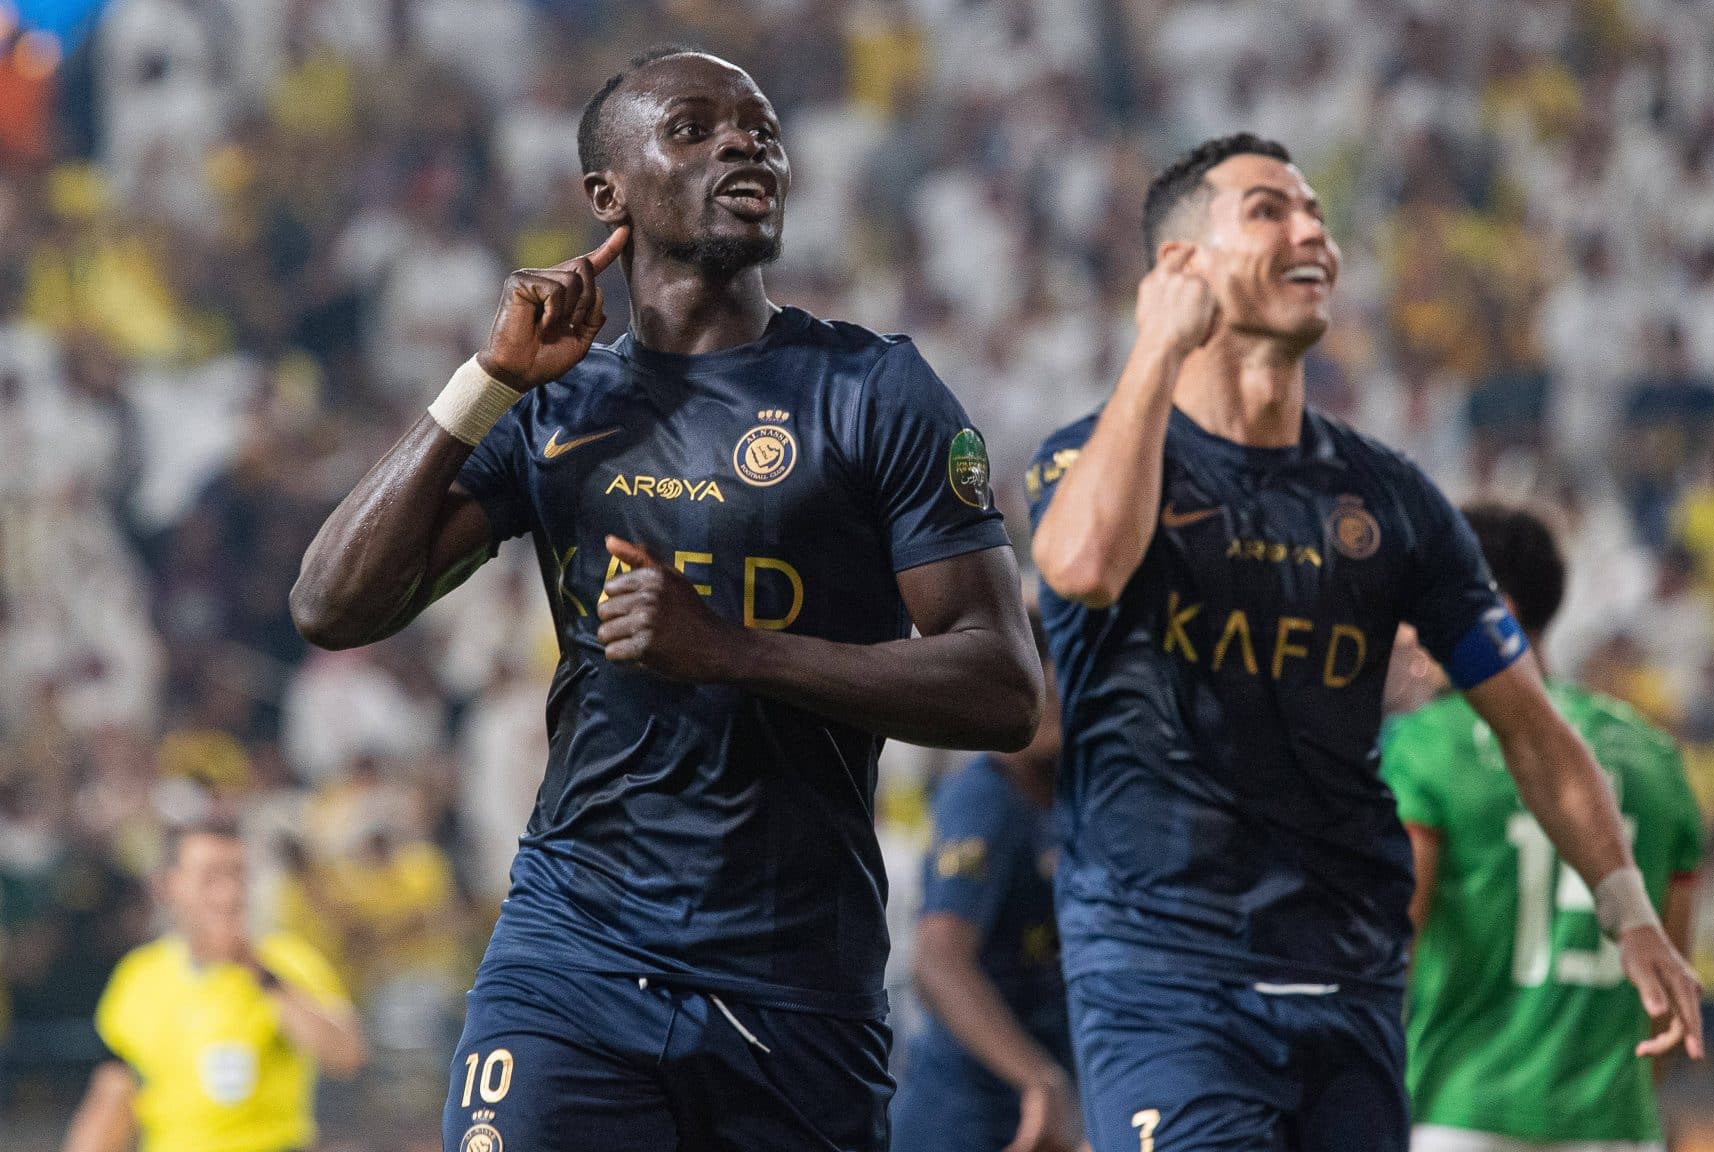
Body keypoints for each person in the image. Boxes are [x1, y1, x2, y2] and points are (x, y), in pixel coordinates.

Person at [289, 47, 1041, 1152]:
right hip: (574, 948)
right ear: (609, 196)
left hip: (795, 976)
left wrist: (736, 649)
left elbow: (1002, 686)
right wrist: (485, 382)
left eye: (760, 129)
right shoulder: (555, 406)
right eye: (692, 128)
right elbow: (331, 605)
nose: (745, 142)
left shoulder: (873, 390)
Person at [1025, 134, 1703, 1152]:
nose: (1311, 233)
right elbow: (1080, 565)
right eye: (1266, 211)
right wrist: (1156, 352)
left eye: (1315, 215)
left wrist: (1628, 911)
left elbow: (1532, 730)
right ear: (1177, 267)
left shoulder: (1390, 500)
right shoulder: (1091, 457)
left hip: (1348, 982)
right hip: (1168, 979)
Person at [1382, 503, 1705, 1152]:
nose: (1412, 633)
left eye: (1426, 603)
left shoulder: (1424, 746)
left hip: (1460, 1107)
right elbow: (1673, 957)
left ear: (1490, 604)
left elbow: (1395, 936)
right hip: (1615, 1120)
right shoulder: (1654, 755)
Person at [60, 817, 365, 1152]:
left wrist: (260, 975)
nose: (229, 893)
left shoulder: (287, 961)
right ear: (171, 886)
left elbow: (346, 1054)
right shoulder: (140, 976)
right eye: (211, 878)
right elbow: (113, 1094)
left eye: (237, 875)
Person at [893, 603, 1077, 1152]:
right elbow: (939, 962)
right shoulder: (985, 803)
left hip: (1042, 1102)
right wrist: (1038, 1078)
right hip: (968, 1115)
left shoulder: (1064, 799)